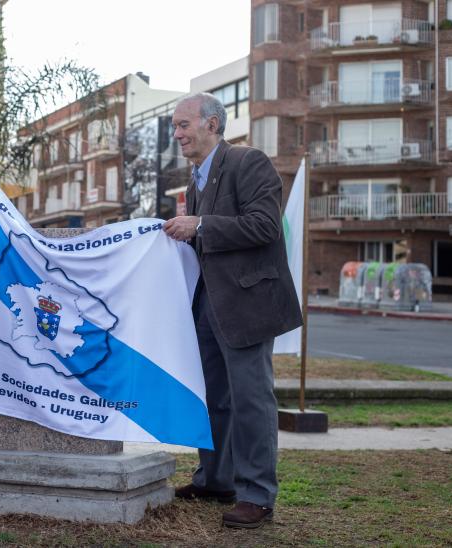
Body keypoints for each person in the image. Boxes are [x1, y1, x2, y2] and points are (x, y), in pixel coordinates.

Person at [164, 93, 302, 529]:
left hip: (248, 305)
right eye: (175, 126)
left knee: (250, 401)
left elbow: (264, 225)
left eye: (184, 124)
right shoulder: (193, 182)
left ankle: (257, 495)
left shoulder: (249, 162)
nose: (178, 134)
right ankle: (215, 479)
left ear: (213, 124)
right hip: (207, 305)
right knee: (213, 399)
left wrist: (199, 225)